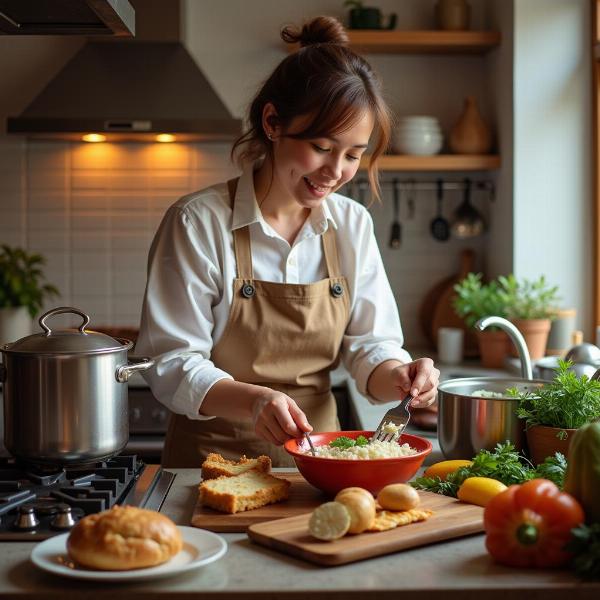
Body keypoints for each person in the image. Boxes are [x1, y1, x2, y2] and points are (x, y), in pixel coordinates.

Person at [136, 16, 440, 468]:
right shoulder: (197, 222)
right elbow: (173, 364)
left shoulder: (351, 224)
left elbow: (368, 349)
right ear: (273, 122)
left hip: (322, 465)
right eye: (321, 147)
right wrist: (255, 402)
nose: (335, 171)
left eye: (354, 155)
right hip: (209, 469)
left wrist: (399, 376)